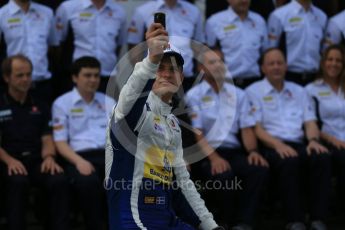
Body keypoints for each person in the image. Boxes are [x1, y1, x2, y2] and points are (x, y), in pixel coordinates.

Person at [105, 23, 223, 230]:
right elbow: (131, 94)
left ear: (182, 78)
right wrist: (151, 59)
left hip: (167, 219)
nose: (167, 74)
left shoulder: (173, 124)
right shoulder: (131, 110)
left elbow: (183, 185)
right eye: (161, 67)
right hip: (132, 220)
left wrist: (211, 226)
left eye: (173, 69)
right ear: (151, 72)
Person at [245, 48, 331, 230]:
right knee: (288, 160)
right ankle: (295, 219)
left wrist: (314, 140)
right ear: (263, 68)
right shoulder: (253, 91)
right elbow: (256, 129)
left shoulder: (300, 91)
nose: (276, 67)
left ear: (286, 66)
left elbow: (310, 122)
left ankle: (318, 218)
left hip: (300, 142)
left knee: (322, 157)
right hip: (270, 145)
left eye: (280, 63)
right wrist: (278, 145)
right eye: (271, 63)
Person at [185, 48, 269, 230]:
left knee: (257, 169)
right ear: (201, 68)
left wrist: (253, 152)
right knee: (223, 175)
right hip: (207, 153)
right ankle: (222, 222)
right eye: (212, 62)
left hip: (234, 150)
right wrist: (214, 158)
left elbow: (246, 129)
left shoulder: (239, 94)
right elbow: (197, 133)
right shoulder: (194, 95)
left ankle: (244, 223)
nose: (218, 65)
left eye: (221, 61)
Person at [0, 54, 69, 230]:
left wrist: (49, 158)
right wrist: (10, 161)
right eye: (19, 75)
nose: (25, 79)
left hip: (36, 160)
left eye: (28, 75)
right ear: (6, 77)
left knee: (58, 179)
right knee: (18, 181)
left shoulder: (41, 105)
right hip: (8, 161)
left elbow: (47, 136)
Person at [52, 56, 115, 230]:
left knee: (126, 179)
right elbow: (60, 141)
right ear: (74, 77)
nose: (93, 80)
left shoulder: (109, 102)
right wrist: (79, 161)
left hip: (108, 155)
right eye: (87, 75)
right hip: (78, 156)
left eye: (96, 75)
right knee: (88, 182)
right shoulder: (61, 103)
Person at [127, 0, 204, 91]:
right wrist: (141, 78)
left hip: (186, 79)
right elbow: (135, 48)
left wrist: (200, 78)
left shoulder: (193, 11)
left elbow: (199, 47)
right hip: (154, 79)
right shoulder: (142, 11)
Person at [55, 0, 127, 92]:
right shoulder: (68, 8)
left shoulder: (119, 11)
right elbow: (58, 44)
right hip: (77, 77)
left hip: (107, 77)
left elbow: (118, 44)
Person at [305, 44, 345, 210]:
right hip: (328, 141)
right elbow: (310, 122)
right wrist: (333, 140)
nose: (334, 63)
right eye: (330, 59)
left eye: (338, 60)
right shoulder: (311, 89)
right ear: (323, 63)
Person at [0, 0, 58, 102]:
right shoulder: (2, 14)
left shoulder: (47, 12)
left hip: (42, 84)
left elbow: (53, 45)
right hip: (14, 86)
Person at [205, 0, 268, 89]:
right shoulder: (214, 22)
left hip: (255, 83)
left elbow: (265, 54)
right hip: (226, 83)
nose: (243, 1)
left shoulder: (259, 21)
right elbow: (209, 55)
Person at [267, 0, 327, 86]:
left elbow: (324, 50)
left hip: (315, 79)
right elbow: (271, 52)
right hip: (289, 78)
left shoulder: (322, 16)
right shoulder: (279, 15)